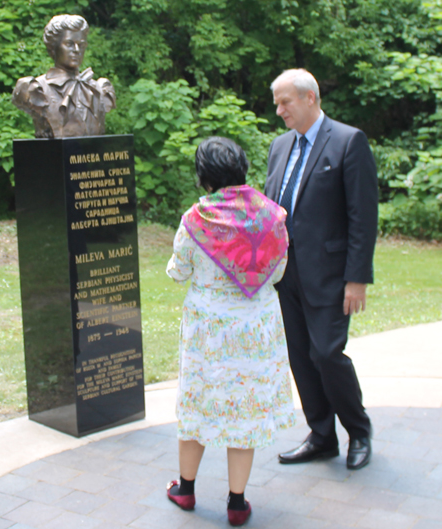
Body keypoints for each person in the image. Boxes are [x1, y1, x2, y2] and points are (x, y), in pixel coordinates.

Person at [166, 136, 295, 526]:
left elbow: (179, 271)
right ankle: (237, 503)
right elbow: (278, 272)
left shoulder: (196, 219)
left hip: (209, 330)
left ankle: (185, 490)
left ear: (205, 177)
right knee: (244, 410)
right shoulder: (271, 216)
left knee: (198, 403)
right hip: (255, 329)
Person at [264, 69, 378, 470]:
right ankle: (322, 436)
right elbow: (271, 209)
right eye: (277, 102)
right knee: (300, 356)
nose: (279, 110)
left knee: (327, 354)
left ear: (310, 97)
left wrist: (357, 278)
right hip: (286, 275)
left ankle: (358, 431)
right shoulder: (279, 147)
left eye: (285, 102)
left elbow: (362, 217)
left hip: (331, 275)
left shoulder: (348, 142)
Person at [12, 14, 116, 138]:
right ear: (52, 48)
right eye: (69, 44)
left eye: (81, 45)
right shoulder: (34, 88)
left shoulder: (98, 89)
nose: (77, 49)